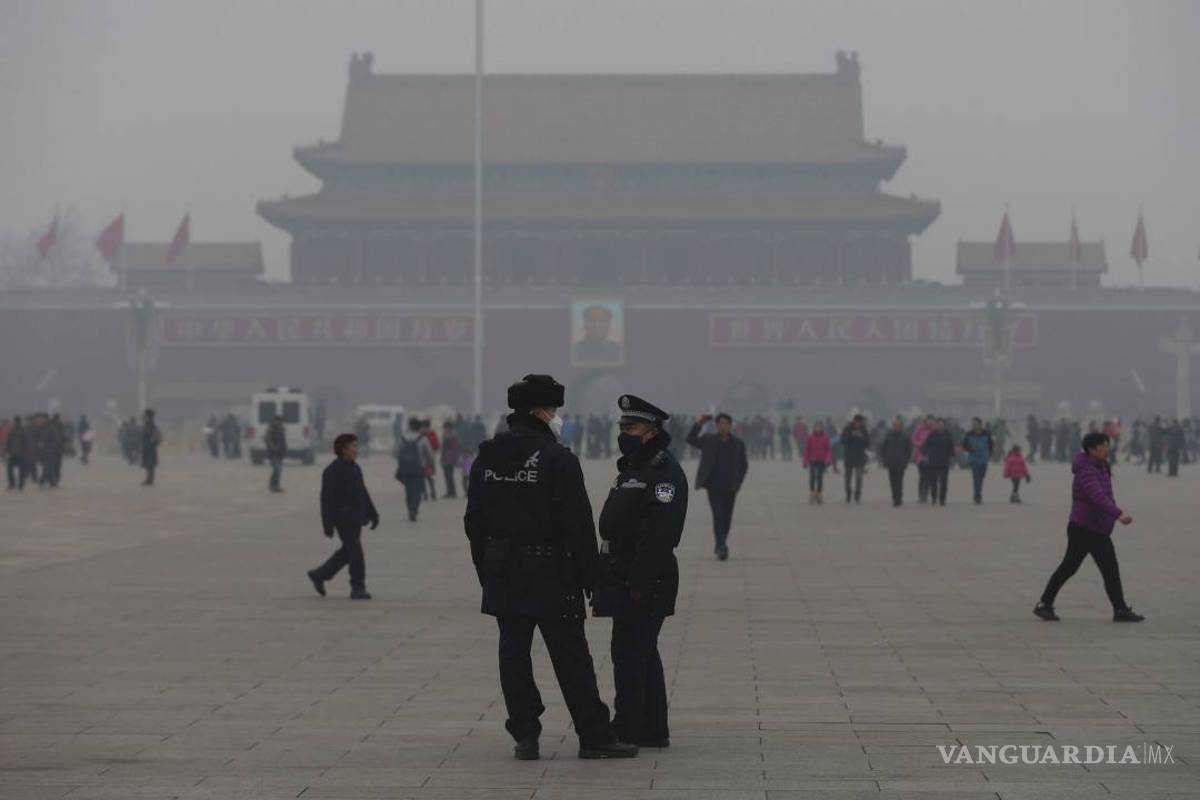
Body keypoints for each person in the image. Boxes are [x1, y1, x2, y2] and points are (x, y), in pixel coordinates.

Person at [464, 374, 635, 761]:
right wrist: (593, 580)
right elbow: (577, 524)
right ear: (540, 411)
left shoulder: (488, 456)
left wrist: (486, 571)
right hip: (552, 571)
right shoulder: (557, 458)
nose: (557, 415)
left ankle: (525, 733)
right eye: (554, 409)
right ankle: (594, 735)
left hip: (504, 571)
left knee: (513, 656)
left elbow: (474, 520)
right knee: (571, 655)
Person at [593, 394, 688, 750]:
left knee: (629, 653)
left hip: (645, 575)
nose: (624, 433)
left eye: (631, 428)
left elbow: (660, 535)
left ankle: (627, 726)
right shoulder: (635, 466)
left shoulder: (663, 473)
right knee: (642, 651)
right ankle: (653, 727)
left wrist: (640, 581)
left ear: (651, 432)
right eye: (622, 427)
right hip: (625, 570)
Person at [1034, 432, 1143, 623]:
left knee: (1109, 568)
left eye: (1107, 445)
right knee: (1069, 567)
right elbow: (1097, 496)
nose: (1107, 449)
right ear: (1092, 449)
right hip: (1083, 528)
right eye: (1103, 446)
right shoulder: (1086, 470)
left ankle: (1120, 609)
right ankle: (1044, 603)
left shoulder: (1101, 467)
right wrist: (1118, 514)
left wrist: (1110, 517)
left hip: (1097, 528)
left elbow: (1107, 495)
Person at [308, 433, 379, 600]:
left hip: (356, 518)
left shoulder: (355, 468)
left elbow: (363, 493)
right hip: (342, 519)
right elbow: (326, 499)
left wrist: (373, 514)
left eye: (356, 446)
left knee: (347, 552)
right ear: (343, 450)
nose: (356, 449)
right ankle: (358, 587)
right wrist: (328, 524)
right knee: (356, 552)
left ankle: (319, 575)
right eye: (353, 446)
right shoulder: (332, 471)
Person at [686, 412, 748, 561]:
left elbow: (743, 464)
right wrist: (699, 424)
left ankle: (720, 542)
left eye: (726, 424)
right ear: (716, 425)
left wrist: (739, 481)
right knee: (718, 515)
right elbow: (690, 439)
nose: (723, 426)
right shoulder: (709, 440)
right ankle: (721, 546)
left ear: (730, 426)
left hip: (730, 486)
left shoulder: (738, 443)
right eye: (720, 424)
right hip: (713, 486)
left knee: (727, 517)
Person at [394, 418, 434, 521]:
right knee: (417, 490)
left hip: (405, 468)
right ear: (419, 427)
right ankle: (413, 509)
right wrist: (431, 465)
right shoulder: (423, 438)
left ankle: (410, 509)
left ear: (410, 426)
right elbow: (430, 453)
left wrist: (401, 464)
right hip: (418, 468)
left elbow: (397, 453)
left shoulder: (403, 438)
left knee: (408, 490)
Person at [879, 417, 913, 507]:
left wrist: (906, 461)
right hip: (891, 462)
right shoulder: (889, 435)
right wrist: (884, 459)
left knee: (899, 481)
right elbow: (883, 448)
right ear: (893, 426)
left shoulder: (905, 436)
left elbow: (909, 450)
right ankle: (894, 497)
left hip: (901, 462)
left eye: (899, 425)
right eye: (895, 425)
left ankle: (899, 498)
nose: (897, 427)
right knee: (892, 481)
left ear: (901, 426)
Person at [922, 418, 955, 506]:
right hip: (933, 462)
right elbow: (925, 446)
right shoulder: (932, 434)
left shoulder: (948, 435)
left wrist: (951, 458)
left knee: (944, 482)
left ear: (944, 425)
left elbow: (951, 448)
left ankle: (942, 499)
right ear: (936, 425)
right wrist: (925, 455)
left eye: (941, 424)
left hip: (944, 462)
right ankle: (934, 497)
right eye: (938, 424)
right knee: (933, 481)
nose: (940, 426)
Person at [962, 417, 995, 504]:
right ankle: (977, 496)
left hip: (984, 459)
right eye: (973, 424)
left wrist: (989, 454)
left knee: (981, 478)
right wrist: (970, 449)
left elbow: (991, 445)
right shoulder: (968, 434)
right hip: (974, 459)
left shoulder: (986, 434)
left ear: (980, 424)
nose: (974, 425)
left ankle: (978, 493)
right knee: (976, 478)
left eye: (975, 424)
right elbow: (964, 445)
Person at [840, 414, 870, 503]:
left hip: (860, 457)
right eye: (856, 422)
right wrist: (851, 435)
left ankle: (857, 493)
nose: (858, 424)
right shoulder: (847, 428)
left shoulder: (864, 430)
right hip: (849, 456)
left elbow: (868, 442)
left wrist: (861, 436)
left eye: (859, 422)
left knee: (859, 478)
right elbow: (842, 440)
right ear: (853, 421)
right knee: (847, 478)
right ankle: (848, 492)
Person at [802, 421, 832, 504]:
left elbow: (828, 450)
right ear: (814, 428)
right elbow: (807, 450)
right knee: (812, 476)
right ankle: (812, 493)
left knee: (819, 477)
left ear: (822, 428)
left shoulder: (825, 438)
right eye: (816, 427)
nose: (818, 428)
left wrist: (828, 460)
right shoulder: (810, 437)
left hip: (821, 460)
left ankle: (819, 494)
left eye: (819, 427)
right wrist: (805, 461)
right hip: (812, 460)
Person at [911, 414, 934, 503]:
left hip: (931, 457)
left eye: (931, 420)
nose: (930, 422)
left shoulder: (934, 430)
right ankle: (921, 494)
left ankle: (925, 495)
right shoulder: (919, 428)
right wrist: (920, 443)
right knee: (922, 476)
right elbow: (913, 439)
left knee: (928, 477)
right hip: (920, 457)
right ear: (925, 421)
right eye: (928, 420)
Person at [5, 416, 29, 491]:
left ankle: (20, 485)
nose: (15, 423)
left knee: (21, 471)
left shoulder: (23, 431)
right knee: (9, 470)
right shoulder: (12, 431)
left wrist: (25, 452)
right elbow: (8, 442)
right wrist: (6, 450)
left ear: (19, 422)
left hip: (21, 454)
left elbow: (27, 443)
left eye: (16, 422)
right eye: (15, 422)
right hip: (13, 453)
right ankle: (12, 484)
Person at [265, 414, 287, 493]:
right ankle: (273, 486)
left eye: (281, 422)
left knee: (278, 470)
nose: (280, 423)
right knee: (277, 469)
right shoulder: (271, 429)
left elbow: (283, 442)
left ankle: (275, 486)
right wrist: (273, 448)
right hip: (273, 453)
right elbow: (268, 440)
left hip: (280, 453)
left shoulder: (281, 429)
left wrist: (283, 451)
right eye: (279, 421)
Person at [440, 420, 461, 498]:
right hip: (445, 458)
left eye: (446, 427)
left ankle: (452, 492)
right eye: (444, 427)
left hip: (449, 459)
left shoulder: (452, 436)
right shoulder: (446, 435)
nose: (445, 429)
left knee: (449, 476)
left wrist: (453, 458)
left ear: (449, 428)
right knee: (447, 476)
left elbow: (455, 449)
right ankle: (449, 492)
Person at [140, 409, 161, 486]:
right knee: (148, 464)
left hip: (150, 447)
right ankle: (149, 479)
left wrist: (151, 442)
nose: (144, 417)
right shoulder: (147, 424)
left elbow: (153, 436)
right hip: (147, 447)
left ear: (148, 416)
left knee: (150, 464)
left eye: (145, 416)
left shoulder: (151, 425)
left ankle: (150, 480)